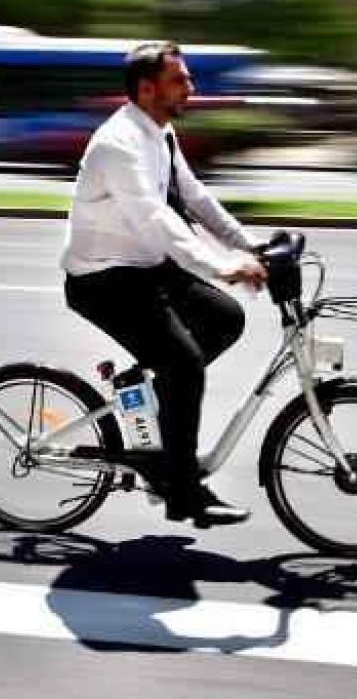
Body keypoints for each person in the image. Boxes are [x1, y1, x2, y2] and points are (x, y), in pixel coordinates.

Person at [60, 41, 267, 526]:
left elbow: (194, 199)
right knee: (185, 364)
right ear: (147, 87)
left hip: (146, 267)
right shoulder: (118, 143)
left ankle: (146, 398)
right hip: (104, 277)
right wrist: (221, 266)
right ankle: (182, 490)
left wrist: (250, 246)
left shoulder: (161, 133)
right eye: (181, 79)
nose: (191, 87)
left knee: (225, 319)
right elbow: (155, 220)